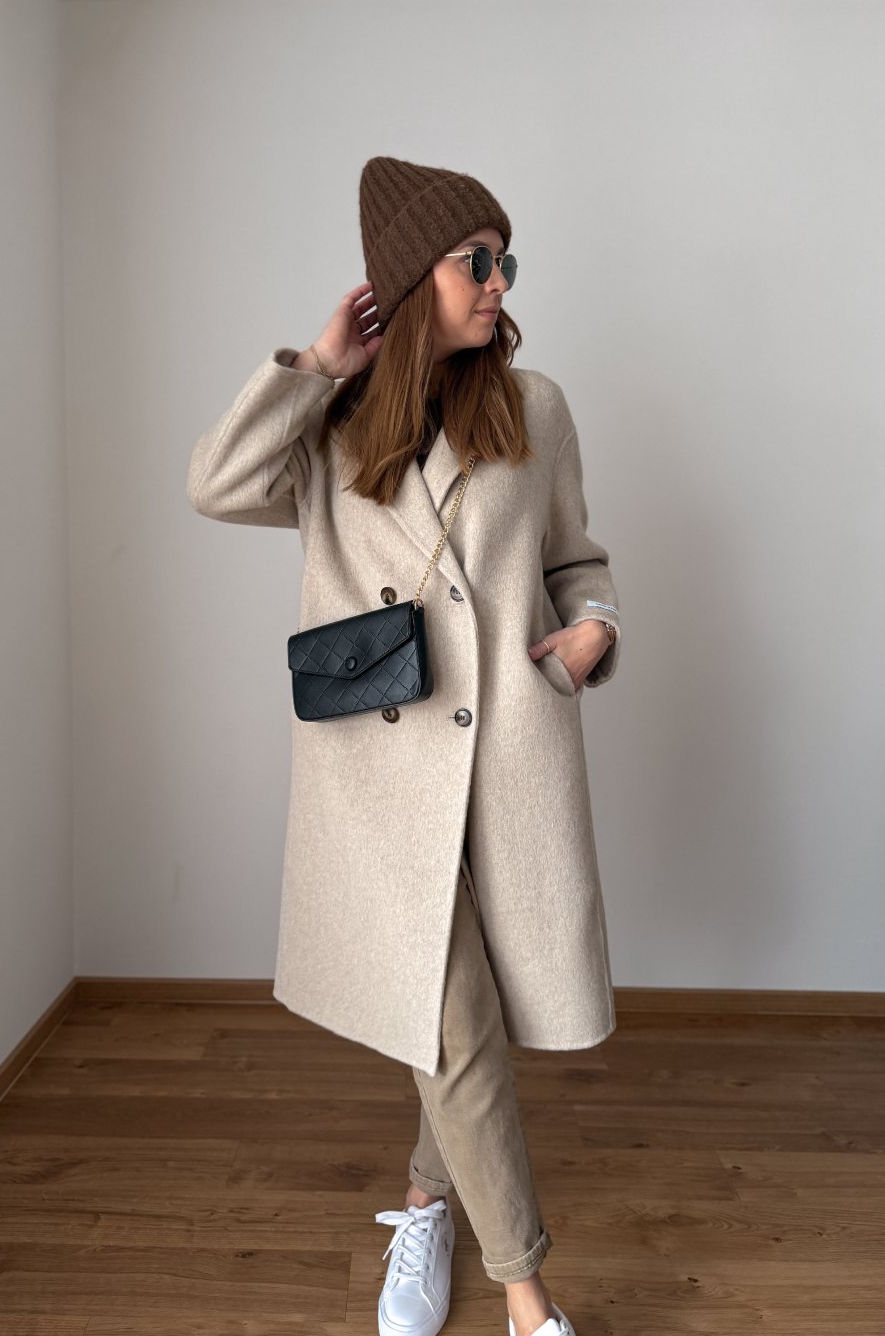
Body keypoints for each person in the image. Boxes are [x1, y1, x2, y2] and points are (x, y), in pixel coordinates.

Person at [186, 156, 622, 1336]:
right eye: (474, 260)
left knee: (461, 1013)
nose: (499, 281)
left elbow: (577, 561)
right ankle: (529, 1300)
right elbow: (214, 484)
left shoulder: (535, 408)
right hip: (382, 780)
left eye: (504, 260)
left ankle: (427, 1200)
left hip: (508, 763)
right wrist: (316, 365)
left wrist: (592, 631)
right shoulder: (330, 427)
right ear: (409, 276)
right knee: (457, 1021)